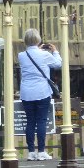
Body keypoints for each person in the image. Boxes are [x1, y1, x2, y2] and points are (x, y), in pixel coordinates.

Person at [18, 28, 62, 160]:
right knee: (41, 121)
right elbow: (58, 64)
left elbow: (32, 57)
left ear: (25, 41)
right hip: (42, 92)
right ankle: (42, 151)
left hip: (26, 93)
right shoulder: (45, 55)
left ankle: (31, 152)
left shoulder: (21, 55)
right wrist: (54, 51)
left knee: (30, 122)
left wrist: (38, 49)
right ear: (38, 40)